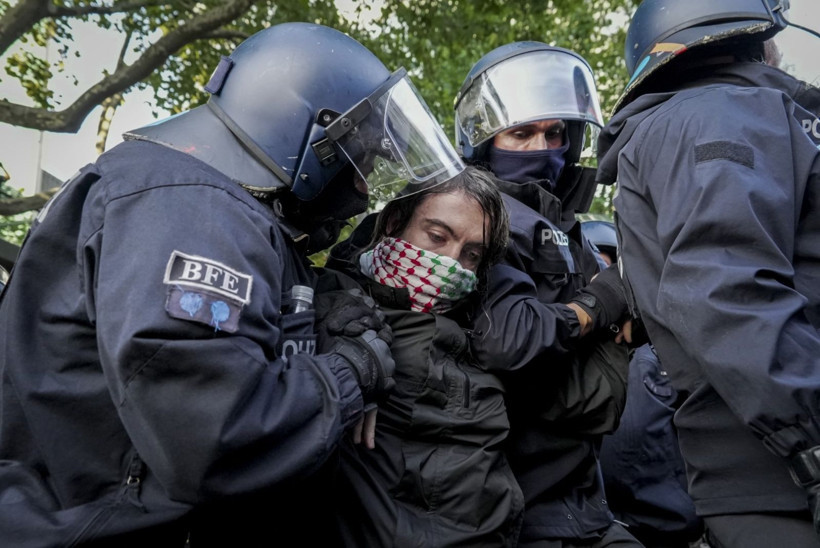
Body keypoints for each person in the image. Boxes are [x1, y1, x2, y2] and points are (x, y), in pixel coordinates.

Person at [0, 22, 466, 545]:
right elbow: (214, 436)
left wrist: (323, 314)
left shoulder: (215, 206)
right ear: (312, 138)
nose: (363, 189)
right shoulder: (190, 202)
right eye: (362, 162)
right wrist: (350, 371)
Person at [596, 0, 820, 546]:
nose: (780, 53)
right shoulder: (720, 112)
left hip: (769, 470)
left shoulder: (701, 116)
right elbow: (723, 290)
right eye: (773, 38)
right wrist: (809, 431)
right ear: (741, 35)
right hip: (787, 476)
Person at [454, 43, 641, 547]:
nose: (542, 146)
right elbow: (510, 345)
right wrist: (600, 307)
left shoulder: (567, 227)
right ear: (486, 139)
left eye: (554, 132)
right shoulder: (478, 220)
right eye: (521, 133)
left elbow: (618, 315)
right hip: (518, 503)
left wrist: (625, 312)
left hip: (584, 496)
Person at [321, 166, 522, 546]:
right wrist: (346, 340)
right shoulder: (337, 305)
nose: (450, 263)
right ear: (395, 221)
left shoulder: (479, 328)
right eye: (437, 236)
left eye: (471, 254)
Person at [583, 220, 703, 548]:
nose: (602, 278)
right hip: (600, 525)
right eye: (598, 269)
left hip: (676, 529)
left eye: (611, 266)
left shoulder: (668, 355)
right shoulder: (578, 354)